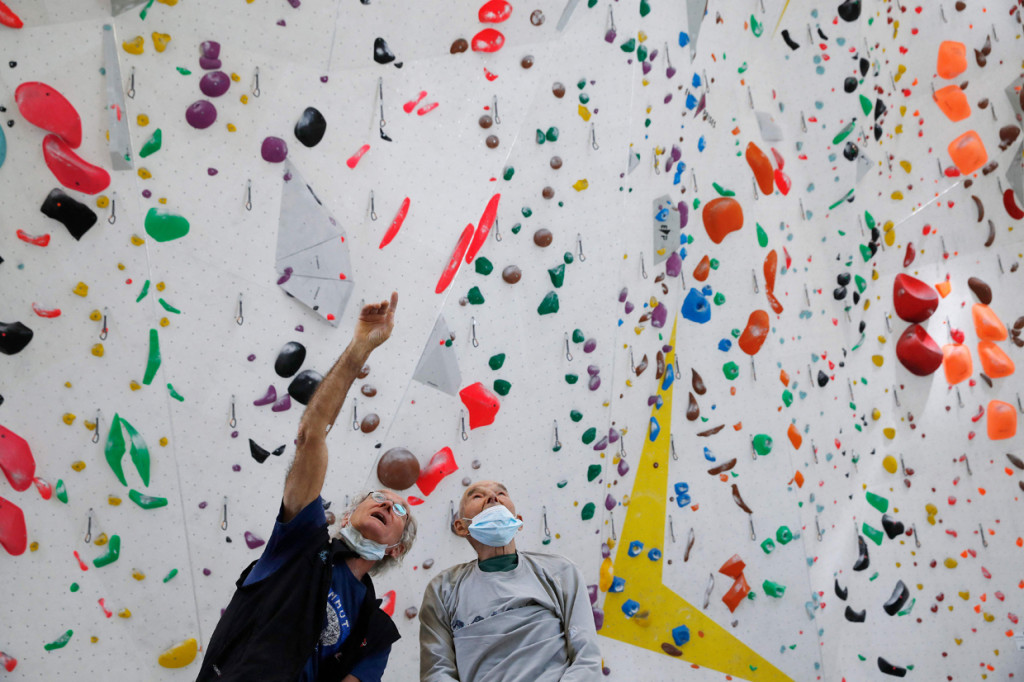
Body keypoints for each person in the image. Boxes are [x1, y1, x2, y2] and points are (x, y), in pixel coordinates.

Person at [198, 293, 416, 682]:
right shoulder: (298, 543)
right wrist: (359, 349)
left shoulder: (376, 633)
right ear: (347, 516)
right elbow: (311, 434)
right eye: (377, 497)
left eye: (398, 509)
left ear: (396, 548)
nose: (384, 502)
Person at [419, 480, 602, 681]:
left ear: (519, 521)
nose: (493, 497)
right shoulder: (442, 589)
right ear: (461, 527)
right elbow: (436, 672)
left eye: (501, 493)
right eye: (477, 496)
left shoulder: (560, 572)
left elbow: (587, 658)